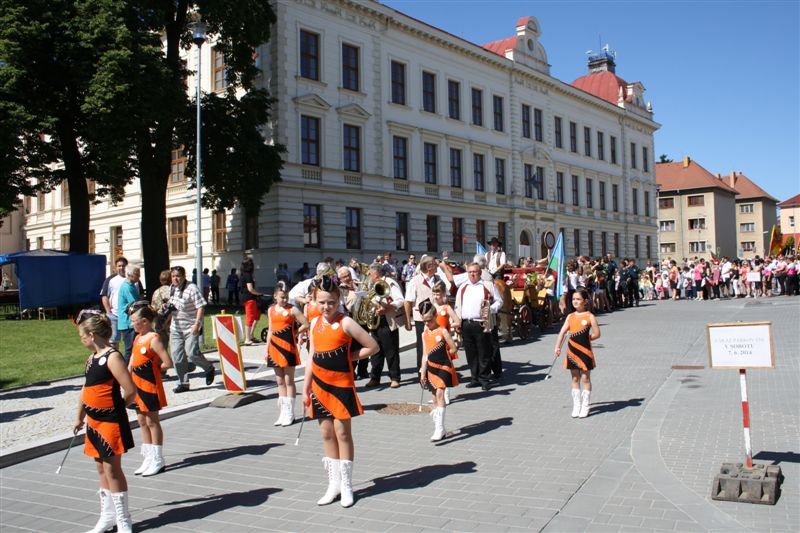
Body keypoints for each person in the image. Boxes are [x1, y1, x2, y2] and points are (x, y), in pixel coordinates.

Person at [301, 276, 378, 508]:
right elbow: (311, 357)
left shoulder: (346, 322)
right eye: (322, 302)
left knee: (342, 433)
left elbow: (373, 346)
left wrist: (350, 357)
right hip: (319, 386)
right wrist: (305, 389)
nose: (326, 307)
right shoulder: (314, 323)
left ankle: (346, 485)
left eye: (331, 302)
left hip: (341, 385)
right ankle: (333, 484)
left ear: (339, 300)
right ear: (314, 301)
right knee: (326, 433)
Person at [73, 310, 136, 533]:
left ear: (92, 335)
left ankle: (123, 519)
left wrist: (117, 409)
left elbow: (130, 390)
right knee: (100, 468)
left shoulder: (112, 357)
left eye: (82, 336)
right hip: (93, 421)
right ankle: (107, 516)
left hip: (110, 421)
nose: (81, 340)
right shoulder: (91, 359)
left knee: (112, 470)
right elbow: (86, 389)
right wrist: (79, 415)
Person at [128, 302, 173, 477]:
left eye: (134, 321)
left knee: (152, 421)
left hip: (150, 386)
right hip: (136, 385)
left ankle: (157, 458)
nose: (132, 324)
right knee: (141, 421)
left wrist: (154, 369)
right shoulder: (137, 338)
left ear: (145, 321)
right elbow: (132, 360)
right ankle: (147, 457)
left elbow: (167, 362)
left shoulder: (154, 339)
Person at [454, 262, 503, 390]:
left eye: (475, 272)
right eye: (470, 272)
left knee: (484, 352)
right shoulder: (463, 287)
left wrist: (490, 309)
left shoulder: (488, 285)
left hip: (482, 323)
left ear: (480, 273)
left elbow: (499, 301)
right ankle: (474, 378)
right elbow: (457, 305)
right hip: (466, 323)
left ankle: (484, 379)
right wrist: (457, 322)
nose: (472, 274)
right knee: (471, 353)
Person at [553, 289, 601, 419]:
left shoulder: (590, 316)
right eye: (573, 299)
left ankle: (585, 405)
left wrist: (587, 338)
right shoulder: (570, 316)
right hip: (572, 351)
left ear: (585, 301)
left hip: (585, 351)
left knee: (585, 378)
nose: (575, 301)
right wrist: (557, 347)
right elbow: (562, 333)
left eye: (578, 299)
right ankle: (576, 405)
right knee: (575, 378)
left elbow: (597, 334)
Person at [266, 286, 309, 426]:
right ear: (275, 296)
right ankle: (283, 412)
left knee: (288, 380)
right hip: (274, 348)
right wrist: (267, 350)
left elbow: (306, 323)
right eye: (282, 297)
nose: (284, 299)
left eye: (286, 297)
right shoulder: (271, 310)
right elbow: (270, 330)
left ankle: (290, 412)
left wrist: (295, 333)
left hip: (288, 348)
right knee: (279, 381)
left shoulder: (293, 310)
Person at [168, 266, 215, 393]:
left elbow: (201, 307)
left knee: (192, 353)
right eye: (173, 276)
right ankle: (183, 383)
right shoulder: (172, 288)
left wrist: (197, 324)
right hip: (176, 328)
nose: (175, 279)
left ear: (184, 276)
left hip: (190, 327)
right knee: (177, 356)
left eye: (178, 276)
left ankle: (208, 368)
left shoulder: (192, 288)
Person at [418, 301, 458, 441]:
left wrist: (444, 355)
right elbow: (425, 354)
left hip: (444, 366)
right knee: (435, 397)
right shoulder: (424, 334)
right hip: (431, 368)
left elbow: (453, 348)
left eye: (429, 320)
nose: (427, 323)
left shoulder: (443, 331)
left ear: (435, 316)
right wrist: (423, 372)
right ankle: (440, 426)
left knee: (440, 394)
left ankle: (439, 429)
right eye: (424, 321)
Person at [364, 263, 406, 389]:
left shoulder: (389, 283)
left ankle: (395, 378)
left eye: (370, 274)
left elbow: (400, 300)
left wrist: (387, 308)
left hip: (387, 321)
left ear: (375, 274)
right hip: (375, 321)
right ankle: (375, 378)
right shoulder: (372, 284)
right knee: (375, 351)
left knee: (391, 351)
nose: (369, 276)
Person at [404, 255, 441, 372]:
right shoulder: (415, 281)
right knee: (422, 347)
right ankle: (423, 373)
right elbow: (408, 302)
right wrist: (407, 321)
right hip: (422, 320)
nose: (437, 265)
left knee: (438, 345)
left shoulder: (438, 279)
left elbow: (446, 295)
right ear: (429, 267)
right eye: (435, 264)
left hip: (437, 318)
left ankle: (436, 372)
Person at [431, 281, 460, 405]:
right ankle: (436, 393)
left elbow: (457, 321)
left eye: (438, 294)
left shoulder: (446, 307)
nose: (436, 296)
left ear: (443, 294)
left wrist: (447, 326)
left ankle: (446, 394)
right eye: (434, 294)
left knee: (445, 368)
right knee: (434, 367)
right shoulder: (432, 307)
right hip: (433, 341)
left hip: (444, 341)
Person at [100, 257, 129, 351]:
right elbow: (104, 296)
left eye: (123, 266)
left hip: (129, 316)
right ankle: (115, 358)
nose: (121, 268)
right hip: (114, 315)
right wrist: (109, 312)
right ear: (115, 267)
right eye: (119, 266)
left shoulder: (133, 278)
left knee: (130, 341)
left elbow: (139, 295)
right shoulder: (110, 280)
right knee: (113, 341)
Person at [115, 265, 141, 363]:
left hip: (129, 322)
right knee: (130, 349)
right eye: (137, 274)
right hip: (128, 323)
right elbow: (135, 304)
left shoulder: (131, 285)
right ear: (130, 275)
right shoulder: (127, 287)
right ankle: (126, 370)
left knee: (133, 348)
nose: (139, 276)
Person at [240, 257, 263, 345]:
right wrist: (258, 294)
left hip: (248, 298)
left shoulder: (243, 274)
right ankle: (247, 339)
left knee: (256, 316)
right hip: (249, 298)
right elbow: (250, 289)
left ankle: (251, 335)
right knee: (250, 318)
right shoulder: (248, 275)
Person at [151, 269, 173, 343]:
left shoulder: (156, 291)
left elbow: (153, 307)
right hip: (169, 321)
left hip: (158, 321)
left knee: (161, 345)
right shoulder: (171, 290)